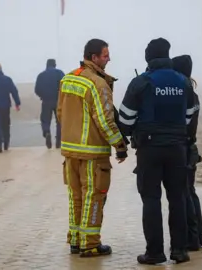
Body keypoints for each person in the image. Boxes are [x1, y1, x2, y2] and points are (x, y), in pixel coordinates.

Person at [118, 38, 196, 265]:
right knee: (178, 198)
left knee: (151, 199)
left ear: (148, 57)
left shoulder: (140, 82)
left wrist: (132, 131)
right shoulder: (183, 82)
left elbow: (125, 119)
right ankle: (180, 251)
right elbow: (190, 115)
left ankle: (155, 252)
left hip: (149, 149)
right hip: (177, 149)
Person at [57, 38, 128, 257]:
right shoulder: (98, 84)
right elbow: (105, 120)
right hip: (92, 153)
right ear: (94, 57)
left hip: (70, 151)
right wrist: (120, 145)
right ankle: (91, 244)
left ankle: (76, 240)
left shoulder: (68, 79)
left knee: (75, 197)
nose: (109, 59)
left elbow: (60, 113)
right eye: (106, 55)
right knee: (94, 196)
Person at [172, 55, 202, 250]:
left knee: (185, 193)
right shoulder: (191, 93)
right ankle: (198, 235)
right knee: (189, 192)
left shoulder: (186, 94)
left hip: (184, 148)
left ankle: (191, 238)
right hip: (189, 147)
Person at [34, 59, 65, 149]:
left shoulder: (41, 75)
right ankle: (58, 141)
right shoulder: (60, 73)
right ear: (55, 65)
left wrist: (42, 96)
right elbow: (65, 85)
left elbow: (37, 89)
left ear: (46, 65)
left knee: (45, 120)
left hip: (46, 101)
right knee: (60, 121)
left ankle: (47, 132)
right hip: (58, 101)